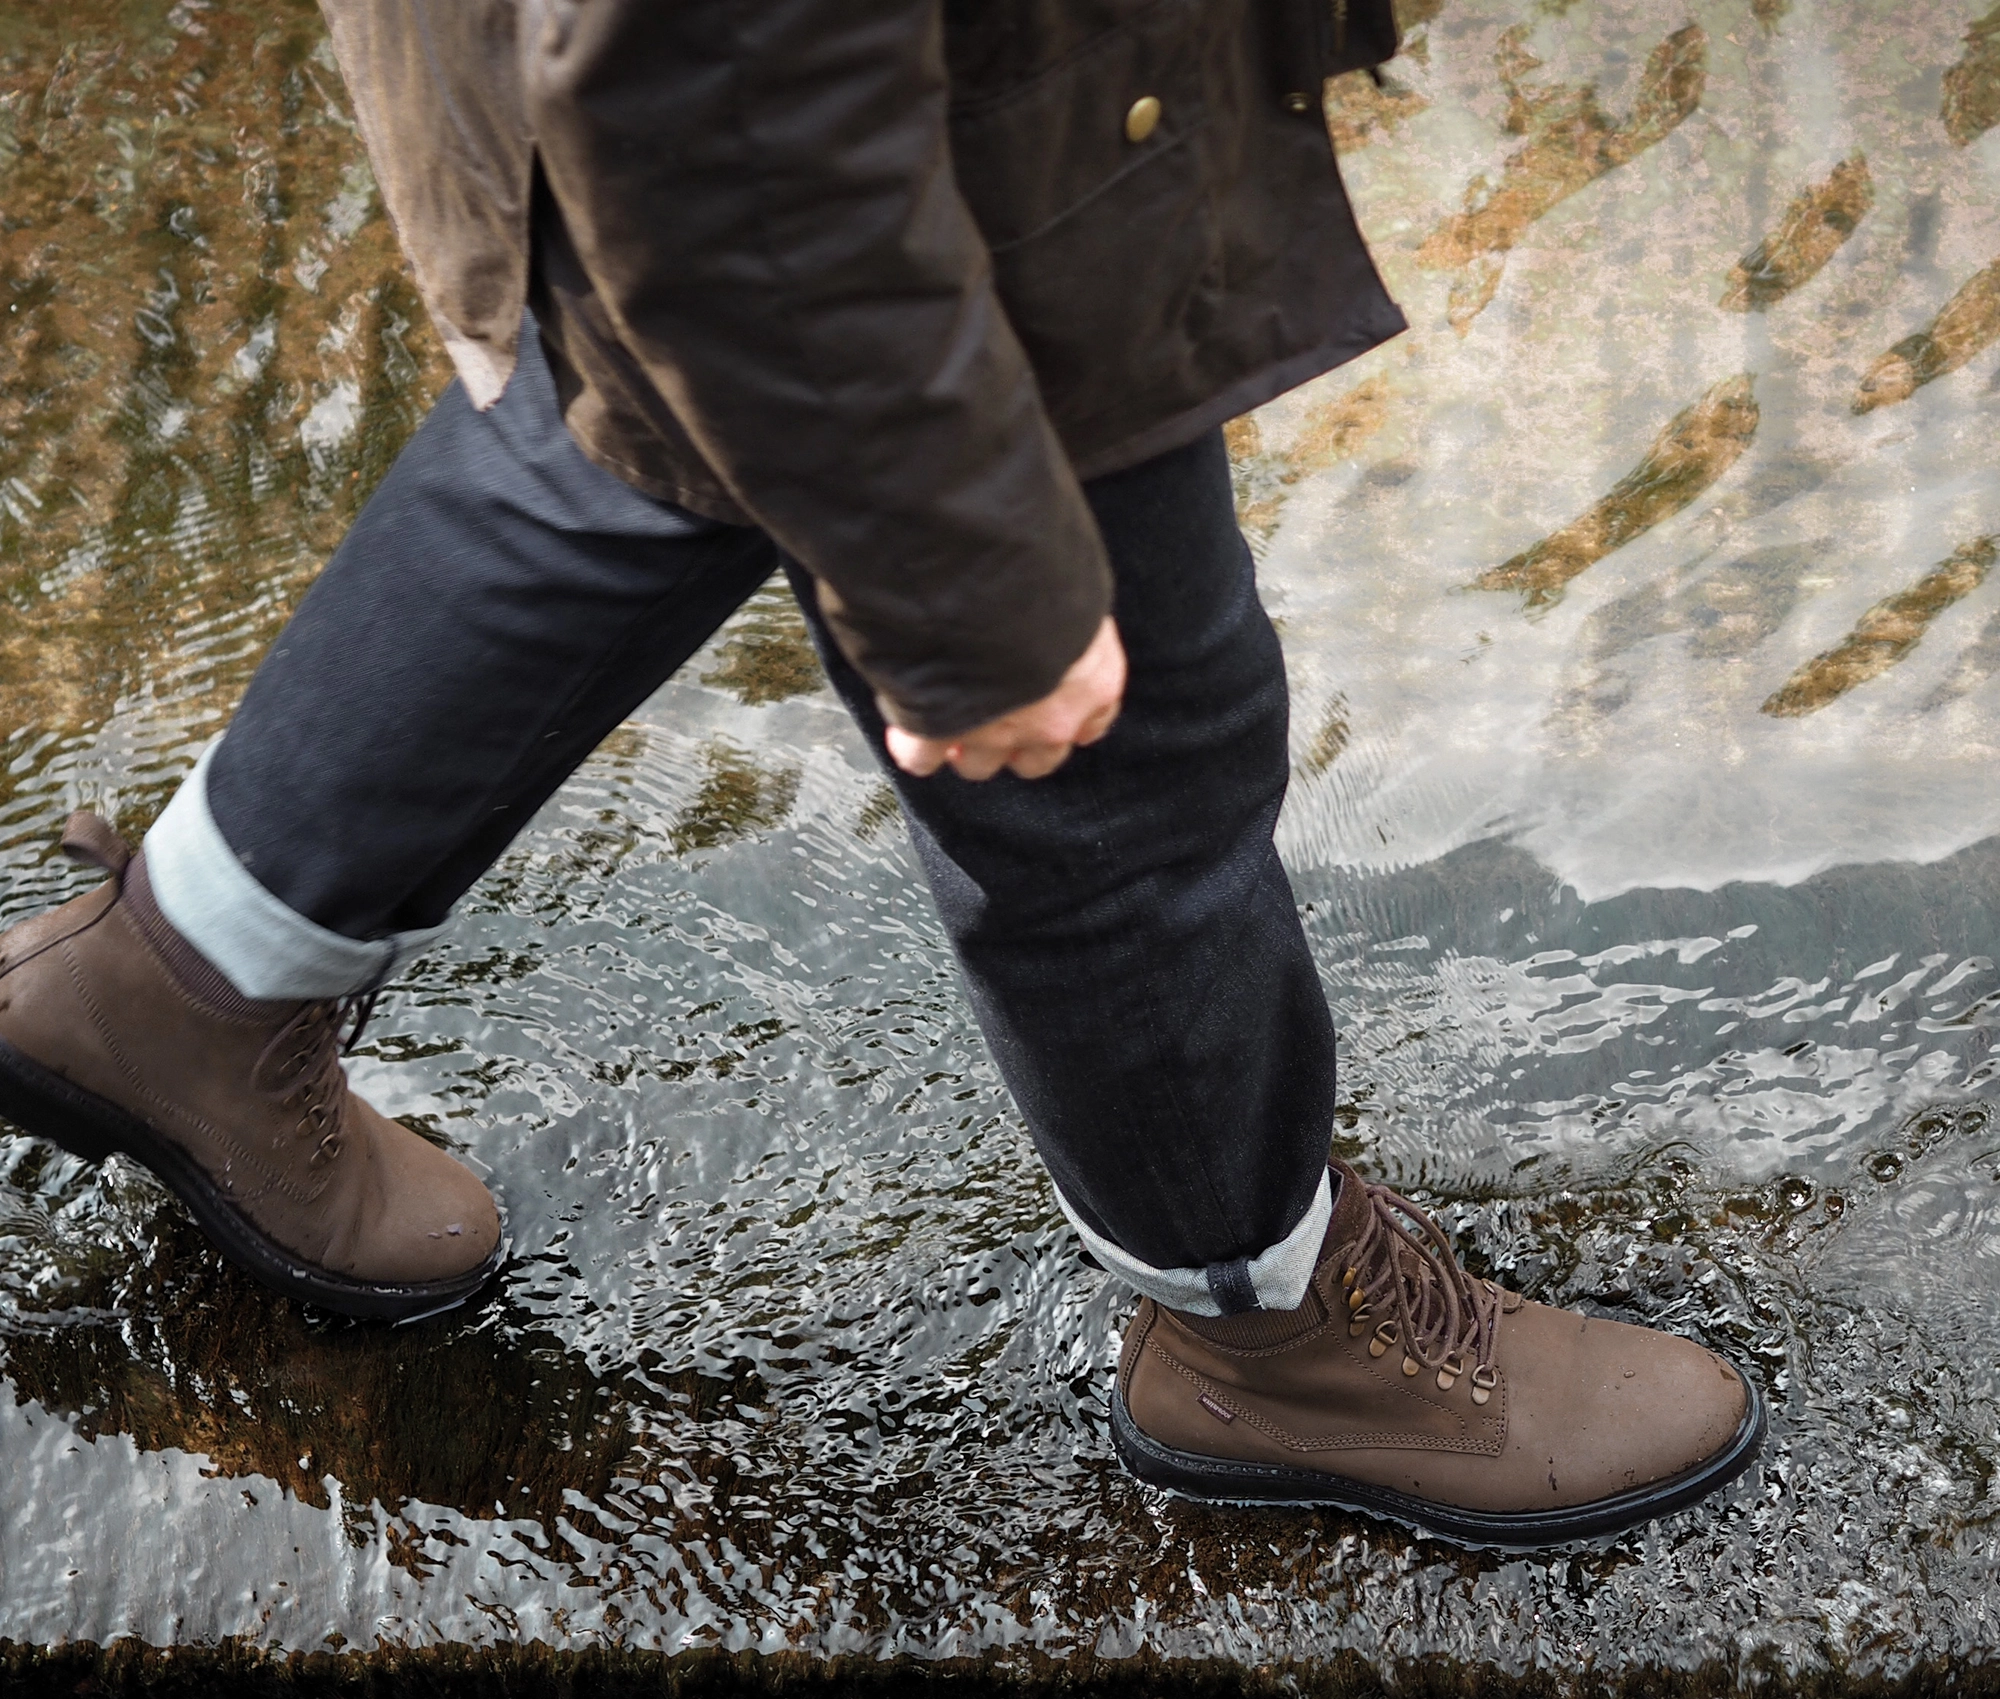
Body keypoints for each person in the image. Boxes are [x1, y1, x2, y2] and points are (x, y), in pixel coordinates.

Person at [0, 0, 1762, 1544]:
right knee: (1126, 720)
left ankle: (193, 980)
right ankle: (1271, 1327)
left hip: (816, 87)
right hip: (865, 113)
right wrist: (960, 578)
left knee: (641, 412)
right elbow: (721, 92)